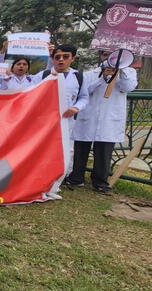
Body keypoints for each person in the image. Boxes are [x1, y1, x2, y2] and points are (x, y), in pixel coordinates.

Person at [68, 50, 138, 194]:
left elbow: (128, 87)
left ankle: (100, 182)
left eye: (111, 55)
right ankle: (76, 178)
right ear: (101, 56)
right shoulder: (91, 73)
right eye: (105, 55)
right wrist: (102, 78)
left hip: (109, 118)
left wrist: (120, 73)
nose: (108, 58)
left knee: (104, 151)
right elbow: (85, 90)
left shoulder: (129, 73)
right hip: (89, 116)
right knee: (81, 149)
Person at [32, 44, 89, 200]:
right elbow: (26, 93)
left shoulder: (79, 77)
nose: (61, 60)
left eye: (65, 56)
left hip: (66, 123)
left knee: (64, 154)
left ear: (73, 58)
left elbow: (84, 97)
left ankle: (54, 186)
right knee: (41, 153)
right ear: (52, 59)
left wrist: (76, 108)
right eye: (57, 57)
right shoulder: (42, 75)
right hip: (44, 124)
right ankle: (37, 185)